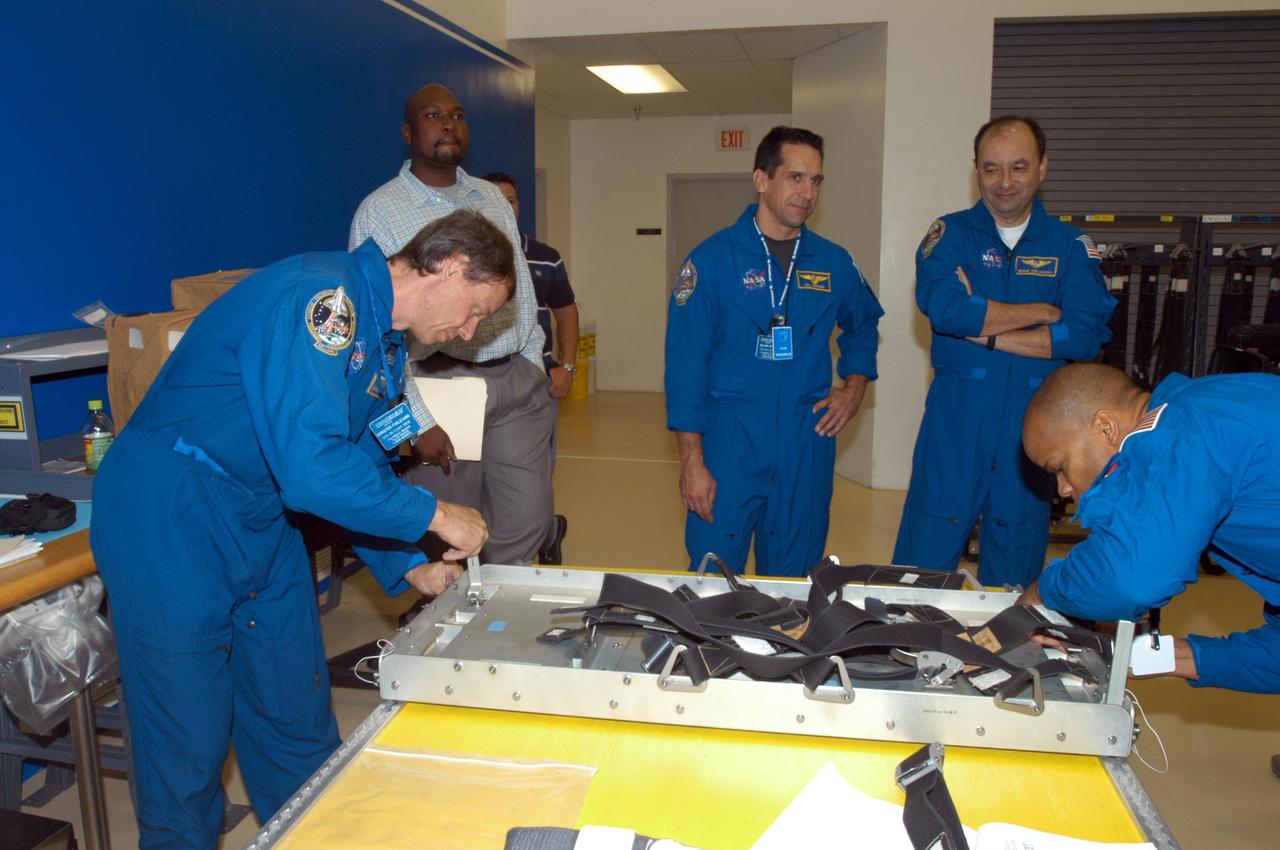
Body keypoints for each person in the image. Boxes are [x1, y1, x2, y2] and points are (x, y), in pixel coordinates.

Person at [90, 209, 513, 849]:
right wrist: (436, 515)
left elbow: (363, 459)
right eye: (477, 308)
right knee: (187, 745)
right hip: (172, 512)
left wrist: (410, 563)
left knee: (296, 718)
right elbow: (314, 471)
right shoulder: (323, 299)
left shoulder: (387, 340)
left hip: (261, 515)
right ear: (449, 267)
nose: (472, 329)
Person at [893, 115, 1116, 588]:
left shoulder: (1071, 246)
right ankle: (905, 651)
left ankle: (1006, 659)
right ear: (975, 169)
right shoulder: (948, 235)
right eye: (992, 169)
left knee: (1014, 571)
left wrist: (989, 329)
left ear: (1042, 168)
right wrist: (1041, 309)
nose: (1005, 182)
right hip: (955, 427)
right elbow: (947, 310)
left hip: (1032, 434)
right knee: (920, 565)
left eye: (1019, 167)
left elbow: (1085, 334)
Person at [350, 83, 563, 566]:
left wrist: (532, 359)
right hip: (438, 386)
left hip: (513, 378)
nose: (448, 123)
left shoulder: (490, 197)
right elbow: (374, 336)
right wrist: (414, 421)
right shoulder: (380, 212)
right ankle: (450, 617)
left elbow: (520, 287)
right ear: (408, 132)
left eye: (458, 115)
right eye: (432, 115)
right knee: (449, 526)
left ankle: (497, 616)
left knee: (528, 519)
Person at [664, 125, 884, 577]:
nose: (807, 192)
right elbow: (684, 367)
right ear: (762, 179)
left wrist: (855, 386)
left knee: (795, 581)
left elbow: (863, 324)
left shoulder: (833, 262)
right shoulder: (711, 261)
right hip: (730, 443)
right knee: (713, 576)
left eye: (816, 180)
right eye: (795, 177)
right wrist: (692, 461)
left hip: (806, 442)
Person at [1019, 362, 1280, 695]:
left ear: (1105, 427)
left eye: (1061, 467)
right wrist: (1133, 657)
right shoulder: (1200, 419)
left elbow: (1130, 578)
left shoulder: (1186, 428)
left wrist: (1043, 593)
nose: (1063, 489)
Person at [486, 170, 577, 561]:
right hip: (482, 385)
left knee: (538, 470)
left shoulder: (545, 256)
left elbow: (567, 312)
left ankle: (543, 533)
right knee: (485, 472)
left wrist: (567, 367)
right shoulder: (467, 257)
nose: (507, 207)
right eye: (498, 200)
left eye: (513, 200)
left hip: (537, 381)